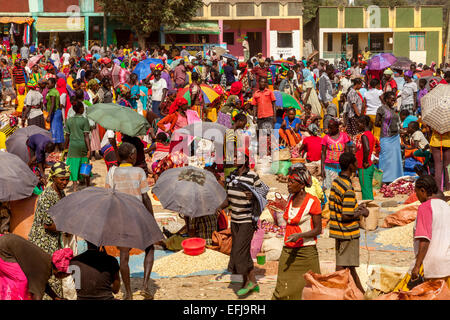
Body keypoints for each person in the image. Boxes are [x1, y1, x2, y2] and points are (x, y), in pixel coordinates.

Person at [105, 142, 159, 300]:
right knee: (150, 248)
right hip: (137, 215)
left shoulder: (112, 172)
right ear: (131, 156)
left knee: (123, 255)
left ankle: (128, 292)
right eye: (135, 154)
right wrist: (151, 219)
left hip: (120, 215)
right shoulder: (139, 172)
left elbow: (108, 194)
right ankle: (144, 286)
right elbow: (145, 197)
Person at [272, 164, 322, 300]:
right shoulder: (289, 199)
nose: (288, 184)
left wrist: (300, 236)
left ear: (301, 185)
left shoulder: (313, 202)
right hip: (288, 251)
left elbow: (318, 229)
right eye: (288, 180)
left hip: (307, 252)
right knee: (282, 288)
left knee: (312, 287)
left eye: (292, 181)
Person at [222, 148, 262, 297]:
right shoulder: (231, 176)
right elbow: (228, 199)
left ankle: (248, 282)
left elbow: (263, 196)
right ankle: (252, 281)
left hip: (247, 220)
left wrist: (253, 196)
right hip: (235, 221)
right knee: (242, 253)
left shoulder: (252, 176)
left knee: (238, 253)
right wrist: (218, 208)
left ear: (245, 159)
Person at [28, 162, 71, 299]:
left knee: (55, 276)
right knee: (48, 277)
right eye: (62, 179)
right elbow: (48, 224)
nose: (65, 182)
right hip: (43, 242)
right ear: (53, 178)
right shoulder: (48, 195)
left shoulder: (60, 192)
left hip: (53, 240)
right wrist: (65, 228)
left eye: (66, 179)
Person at [328, 152, 369, 293]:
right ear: (351, 166)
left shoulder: (337, 182)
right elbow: (346, 216)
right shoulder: (348, 188)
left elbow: (340, 207)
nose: (357, 165)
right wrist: (362, 212)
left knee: (349, 266)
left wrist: (356, 208)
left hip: (338, 230)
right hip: (347, 232)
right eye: (356, 163)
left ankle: (360, 292)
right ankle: (335, 292)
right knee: (342, 267)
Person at [0, 234, 73, 300]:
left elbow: (42, 283)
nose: (65, 277)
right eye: (66, 275)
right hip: (4, 249)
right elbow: (37, 295)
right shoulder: (44, 269)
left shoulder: (47, 262)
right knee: (21, 282)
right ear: (60, 271)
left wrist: (55, 297)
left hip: (6, 242)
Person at [409, 175, 450, 287]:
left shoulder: (425, 208)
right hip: (447, 264)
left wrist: (417, 266)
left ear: (423, 191)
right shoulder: (446, 206)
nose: (416, 196)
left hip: (432, 267)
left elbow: (424, 240)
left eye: (417, 192)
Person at [375, 91, 404, 185]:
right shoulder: (381, 109)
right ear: (386, 99)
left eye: (394, 99)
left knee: (395, 159)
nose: (393, 101)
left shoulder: (394, 110)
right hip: (386, 137)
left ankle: (395, 178)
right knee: (385, 158)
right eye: (392, 99)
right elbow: (376, 123)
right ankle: (384, 179)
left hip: (395, 137)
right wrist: (385, 127)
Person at [64, 101, 91, 192]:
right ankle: (88, 184)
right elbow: (86, 136)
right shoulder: (84, 120)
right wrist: (89, 149)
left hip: (72, 146)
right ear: (80, 109)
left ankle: (75, 187)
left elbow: (67, 136)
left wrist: (65, 148)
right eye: (83, 107)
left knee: (74, 166)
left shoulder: (69, 120)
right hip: (82, 145)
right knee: (85, 163)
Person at [321, 118, 351, 190]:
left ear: (337, 128)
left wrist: (348, 166)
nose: (329, 129)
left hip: (341, 166)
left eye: (331, 128)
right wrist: (322, 168)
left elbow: (347, 151)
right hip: (329, 166)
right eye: (328, 127)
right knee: (329, 187)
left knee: (340, 187)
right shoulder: (326, 138)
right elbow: (323, 154)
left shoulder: (344, 136)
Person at [355, 115, 375, 200]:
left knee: (365, 189)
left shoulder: (364, 136)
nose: (357, 126)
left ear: (363, 124)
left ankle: (368, 207)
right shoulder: (370, 134)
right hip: (369, 165)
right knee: (368, 187)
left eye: (358, 124)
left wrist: (365, 161)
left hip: (364, 166)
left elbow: (367, 148)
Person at [46, 78, 64, 151]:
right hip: (58, 112)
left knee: (54, 130)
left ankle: (56, 148)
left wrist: (49, 115)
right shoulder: (56, 91)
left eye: (48, 83)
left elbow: (53, 104)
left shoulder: (52, 92)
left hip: (55, 113)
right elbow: (59, 103)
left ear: (53, 84)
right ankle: (59, 147)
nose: (47, 85)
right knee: (58, 130)